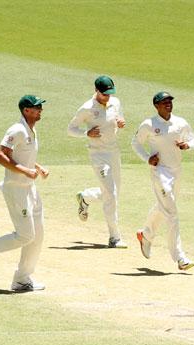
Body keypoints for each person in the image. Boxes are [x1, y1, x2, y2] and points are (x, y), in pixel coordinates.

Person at [0, 95, 50, 291]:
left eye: (40, 107)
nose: (40, 110)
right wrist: (25, 171)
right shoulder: (17, 129)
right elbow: (0, 155)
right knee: (25, 235)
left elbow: (21, 156)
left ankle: (22, 278)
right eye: (36, 107)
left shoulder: (31, 130)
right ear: (26, 110)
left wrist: (36, 167)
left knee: (38, 234)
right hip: (16, 189)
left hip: (30, 188)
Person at [132, 92, 194, 270]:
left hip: (176, 171)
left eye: (170, 101)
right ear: (156, 106)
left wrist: (187, 145)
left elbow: (193, 138)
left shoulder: (180, 122)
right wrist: (147, 158)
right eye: (164, 102)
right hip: (159, 172)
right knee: (172, 213)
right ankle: (179, 257)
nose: (168, 104)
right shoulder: (149, 124)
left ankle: (145, 235)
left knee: (164, 206)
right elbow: (135, 143)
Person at [68, 75, 127, 248]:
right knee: (111, 194)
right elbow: (71, 129)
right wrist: (86, 133)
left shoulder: (115, 102)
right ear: (96, 91)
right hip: (98, 155)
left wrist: (121, 123)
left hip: (114, 152)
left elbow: (118, 119)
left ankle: (85, 197)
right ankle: (114, 237)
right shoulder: (87, 108)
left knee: (113, 193)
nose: (107, 97)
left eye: (110, 93)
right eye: (104, 94)